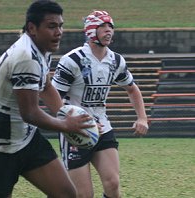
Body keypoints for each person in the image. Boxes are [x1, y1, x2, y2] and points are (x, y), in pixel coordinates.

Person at [0, 1, 95, 197]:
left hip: (26, 140)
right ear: (32, 28)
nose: (59, 32)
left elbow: (45, 86)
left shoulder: (42, 49)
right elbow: (30, 113)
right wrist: (66, 126)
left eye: (61, 25)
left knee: (67, 194)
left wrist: (71, 116)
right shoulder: (25, 57)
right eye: (52, 26)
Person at [52, 10, 149, 198]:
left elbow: (132, 88)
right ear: (90, 31)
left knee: (113, 184)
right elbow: (54, 96)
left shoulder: (116, 60)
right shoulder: (72, 60)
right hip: (75, 132)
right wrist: (74, 121)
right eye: (103, 26)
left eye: (111, 26)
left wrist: (142, 118)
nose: (109, 31)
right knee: (84, 195)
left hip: (103, 127)